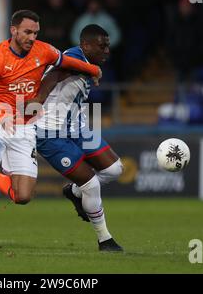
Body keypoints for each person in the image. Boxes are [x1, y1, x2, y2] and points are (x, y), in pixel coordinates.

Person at [0, 10, 102, 254]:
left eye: (35, 32)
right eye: (27, 32)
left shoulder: (43, 51)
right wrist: (2, 117)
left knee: (22, 196)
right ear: (13, 30)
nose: (32, 37)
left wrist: (93, 69)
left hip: (24, 127)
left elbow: (66, 62)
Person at [32, 24, 124, 252]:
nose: (106, 51)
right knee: (91, 184)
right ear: (85, 45)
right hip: (50, 132)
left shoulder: (87, 64)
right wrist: (33, 109)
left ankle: (73, 191)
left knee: (114, 170)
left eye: (108, 46)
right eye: (102, 46)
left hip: (76, 126)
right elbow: (53, 76)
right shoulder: (73, 58)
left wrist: (92, 71)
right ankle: (105, 240)